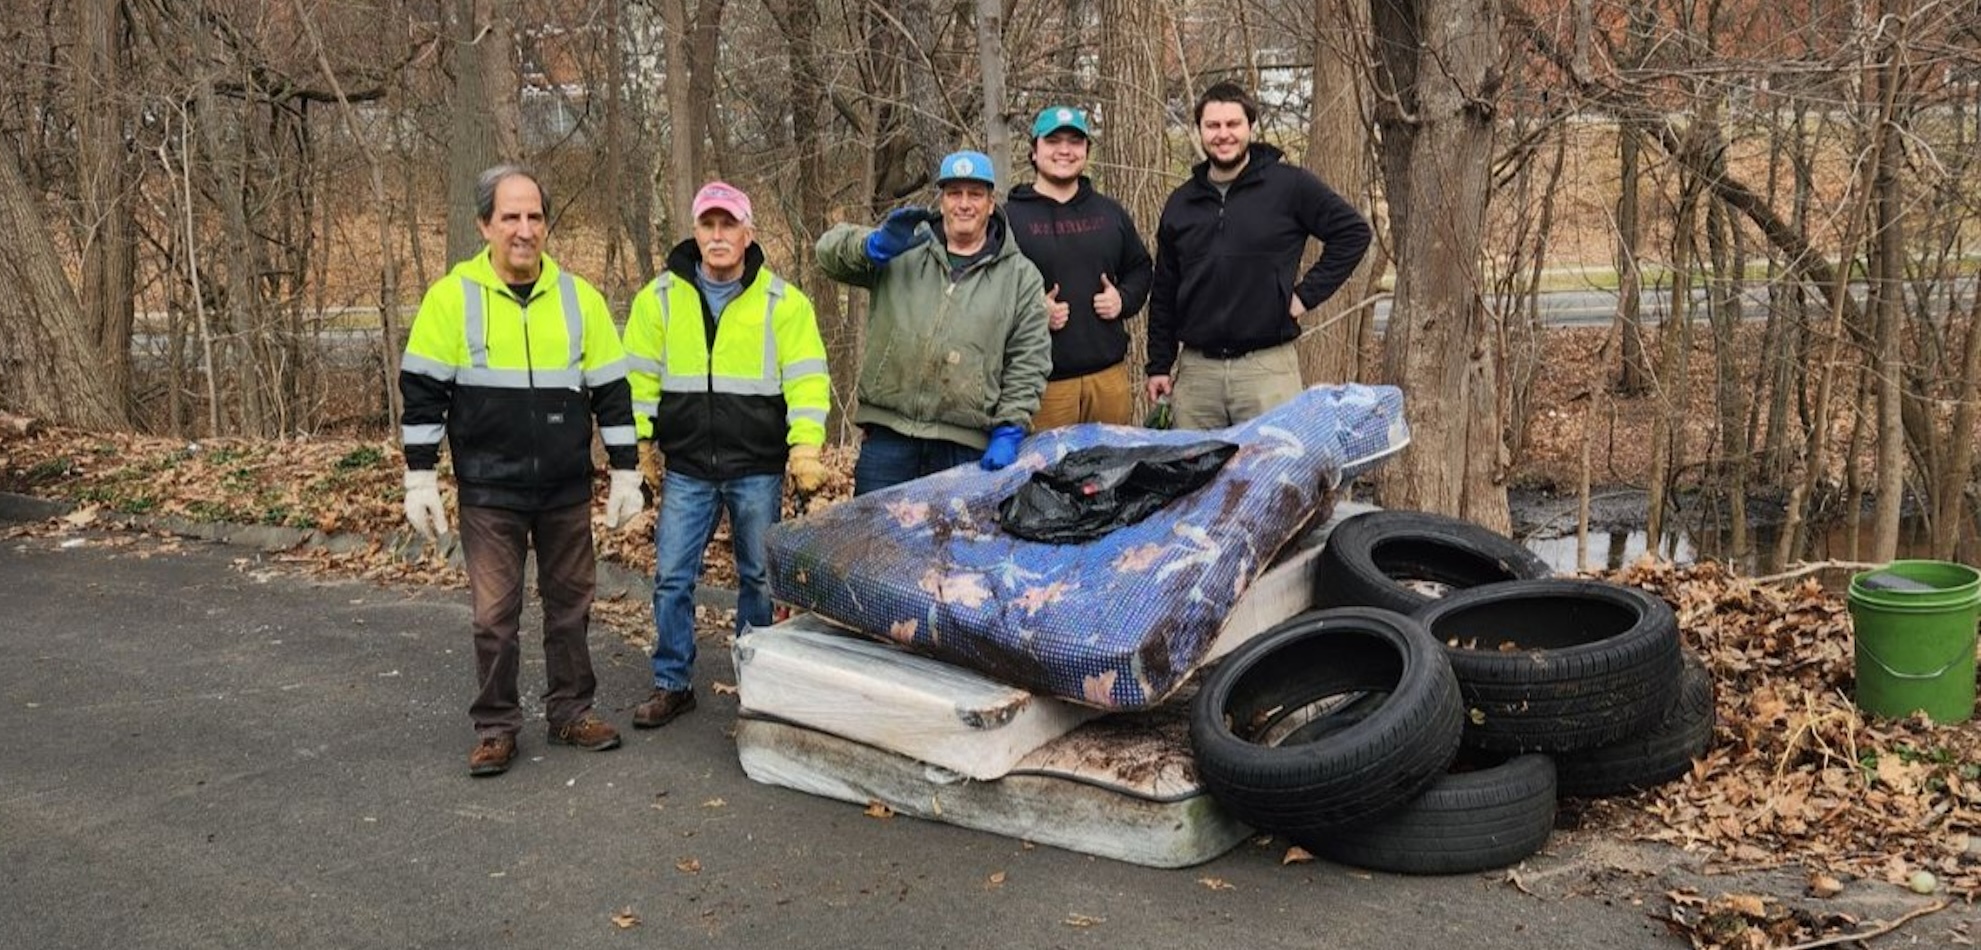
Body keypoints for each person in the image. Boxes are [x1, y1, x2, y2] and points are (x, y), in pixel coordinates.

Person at [399, 164, 643, 778]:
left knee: (570, 608)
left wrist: (625, 471)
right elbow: (424, 392)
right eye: (510, 216)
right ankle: (496, 725)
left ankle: (570, 711)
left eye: (534, 216)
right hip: (490, 489)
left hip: (564, 487)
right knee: (493, 617)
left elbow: (612, 392)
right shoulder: (450, 299)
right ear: (485, 224)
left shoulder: (578, 298)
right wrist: (420, 477)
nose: (524, 229)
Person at [622, 181, 830, 729]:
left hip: (755, 467)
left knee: (758, 579)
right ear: (696, 232)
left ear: (747, 233)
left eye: (728, 225)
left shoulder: (783, 303)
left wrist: (805, 448)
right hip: (688, 467)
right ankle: (673, 682)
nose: (718, 236)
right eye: (708, 225)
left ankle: (755, 685)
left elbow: (808, 383)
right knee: (671, 577)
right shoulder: (659, 298)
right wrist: (639, 444)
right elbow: (639, 378)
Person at [816, 150, 1052, 495]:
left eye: (975, 194)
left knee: (954, 548)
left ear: (991, 203)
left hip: (965, 446)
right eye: (955, 193)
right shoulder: (905, 248)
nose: (964, 204)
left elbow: (1028, 360)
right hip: (888, 438)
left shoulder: (1021, 277)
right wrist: (872, 246)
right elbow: (827, 253)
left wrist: (1009, 428)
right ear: (941, 201)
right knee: (878, 546)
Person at [1145, 82, 1372, 429]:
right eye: (1213, 126)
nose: (1223, 134)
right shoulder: (1181, 203)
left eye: (1233, 124)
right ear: (1200, 131)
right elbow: (1164, 291)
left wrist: (1303, 297)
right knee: (1193, 478)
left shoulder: (1289, 186)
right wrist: (1159, 364)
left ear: (1250, 126)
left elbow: (1353, 233)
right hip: (1196, 375)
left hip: (1267, 370)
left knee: (1274, 477)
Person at [1005, 105, 1153, 429]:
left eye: (1074, 141)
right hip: (1041, 381)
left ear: (1086, 150)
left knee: (1112, 474)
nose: (1064, 150)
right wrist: (1031, 311)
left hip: (1108, 377)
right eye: (1053, 141)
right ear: (1034, 150)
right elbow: (986, 293)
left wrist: (1123, 299)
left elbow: (1141, 268)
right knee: (1047, 477)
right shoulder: (1007, 220)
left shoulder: (1110, 213)